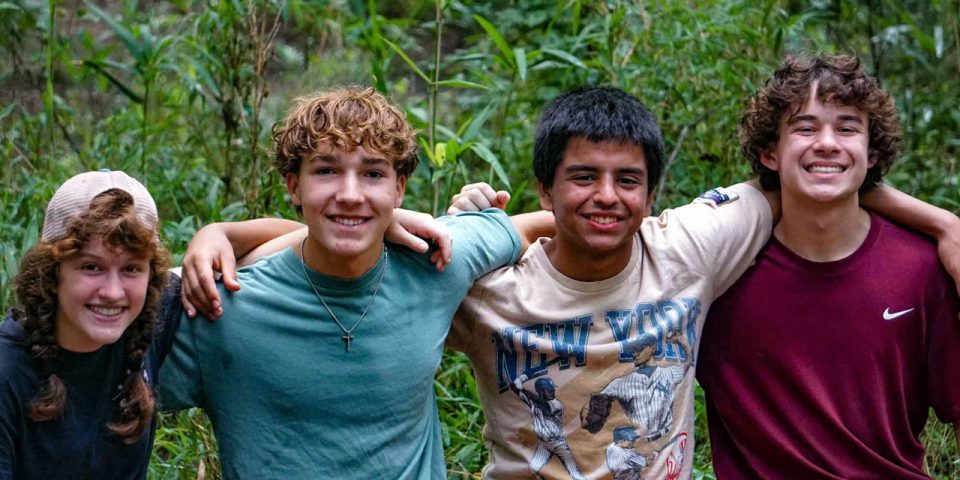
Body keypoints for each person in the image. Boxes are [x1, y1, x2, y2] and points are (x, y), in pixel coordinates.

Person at [183, 85, 959, 479]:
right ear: (543, 195)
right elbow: (345, 235)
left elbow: (811, 179)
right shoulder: (480, 275)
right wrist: (220, 233)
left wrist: (945, 225)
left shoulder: (696, 242)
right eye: (581, 177)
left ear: (655, 195)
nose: (605, 197)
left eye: (628, 181)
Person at [158, 86, 523, 479]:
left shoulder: (437, 257)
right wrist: (217, 234)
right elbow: (106, 329)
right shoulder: (222, 304)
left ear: (398, 188)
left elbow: (552, 229)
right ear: (293, 185)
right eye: (327, 170)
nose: (350, 195)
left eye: (373, 174)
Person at [696, 54, 960, 478]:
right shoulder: (719, 269)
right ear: (770, 153)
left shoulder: (924, 269)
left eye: (847, 128)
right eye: (805, 127)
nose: (827, 142)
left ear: (871, 154)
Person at [0, 170, 173, 479]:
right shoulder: (8, 373)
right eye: (91, 267)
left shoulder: (142, 323)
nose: (112, 292)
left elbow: (289, 243)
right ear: (51, 273)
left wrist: (217, 236)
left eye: (132, 268)